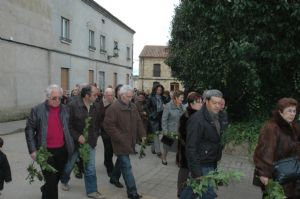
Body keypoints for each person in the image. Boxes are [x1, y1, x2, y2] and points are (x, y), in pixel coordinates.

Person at [25, 84, 74, 199]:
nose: (58, 101)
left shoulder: (66, 109)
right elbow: (29, 130)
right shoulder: (37, 110)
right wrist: (32, 150)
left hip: (62, 150)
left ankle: (45, 189)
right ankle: (48, 190)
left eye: (59, 98)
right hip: (45, 151)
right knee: (52, 182)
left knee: (55, 179)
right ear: (47, 97)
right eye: (54, 98)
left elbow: (70, 127)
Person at [60, 85, 105, 199]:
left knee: (90, 167)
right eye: (94, 95)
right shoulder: (72, 105)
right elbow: (67, 126)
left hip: (90, 142)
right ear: (87, 95)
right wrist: (77, 136)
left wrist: (96, 135)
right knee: (70, 165)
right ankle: (64, 179)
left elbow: (98, 123)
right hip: (75, 143)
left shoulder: (96, 106)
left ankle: (92, 191)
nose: (97, 97)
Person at [104, 85, 146, 199]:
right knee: (127, 166)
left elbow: (138, 121)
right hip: (119, 142)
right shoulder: (113, 108)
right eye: (128, 97)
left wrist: (142, 135)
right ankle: (132, 192)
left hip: (130, 140)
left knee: (121, 162)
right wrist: (120, 138)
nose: (131, 99)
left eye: (132, 96)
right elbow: (108, 126)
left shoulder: (132, 106)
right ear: (121, 96)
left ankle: (113, 178)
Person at [181, 89, 225, 199]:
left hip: (211, 161)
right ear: (206, 101)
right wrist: (197, 172)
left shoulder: (217, 116)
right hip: (202, 164)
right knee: (208, 193)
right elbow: (191, 147)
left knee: (192, 190)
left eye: (219, 103)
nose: (217, 106)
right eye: (214, 103)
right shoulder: (197, 120)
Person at [253, 98, 300, 198]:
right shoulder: (271, 128)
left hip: (293, 174)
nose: (292, 114)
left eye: (294, 111)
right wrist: (263, 173)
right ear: (280, 112)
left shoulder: (294, 126)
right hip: (277, 174)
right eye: (289, 111)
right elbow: (264, 152)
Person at [176, 92, 202, 197]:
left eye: (201, 101)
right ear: (191, 104)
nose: (201, 104)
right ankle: (180, 193)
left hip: (194, 151)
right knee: (184, 172)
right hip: (186, 150)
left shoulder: (200, 115)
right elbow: (183, 135)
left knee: (194, 174)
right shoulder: (185, 116)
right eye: (198, 102)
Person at [161, 90, 185, 165]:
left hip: (179, 130)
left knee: (178, 146)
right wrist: (165, 131)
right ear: (175, 98)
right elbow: (164, 119)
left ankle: (177, 160)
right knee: (166, 147)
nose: (182, 99)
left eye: (183, 97)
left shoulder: (182, 107)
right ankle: (164, 158)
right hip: (170, 130)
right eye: (181, 97)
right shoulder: (168, 106)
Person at [99, 87, 117, 177]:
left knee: (112, 148)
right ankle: (110, 168)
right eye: (108, 95)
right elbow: (99, 119)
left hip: (115, 130)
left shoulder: (117, 103)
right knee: (108, 148)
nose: (110, 97)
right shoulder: (100, 104)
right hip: (105, 131)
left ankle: (106, 161)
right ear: (104, 96)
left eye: (111, 95)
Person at [147, 84, 165, 157]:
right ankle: (158, 151)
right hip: (153, 118)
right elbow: (146, 107)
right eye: (158, 90)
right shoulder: (151, 97)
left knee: (156, 133)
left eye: (160, 90)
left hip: (161, 117)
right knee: (156, 134)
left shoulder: (163, 97)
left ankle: (153, 148)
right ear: (155, 90)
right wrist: (151, 115)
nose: (159, 91)